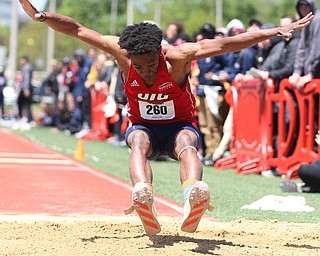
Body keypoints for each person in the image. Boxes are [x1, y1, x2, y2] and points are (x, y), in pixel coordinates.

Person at [18, 0, 313, 235]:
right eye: (139, 66)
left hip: (178, 126)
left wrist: (272, 31)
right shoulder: (122, 53)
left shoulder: (178, 56)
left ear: (160, 56)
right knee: (137, 140)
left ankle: (193, 195)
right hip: (144, 126)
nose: (145, 71)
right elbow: (79, 30)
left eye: (149, 65)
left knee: (187, 142)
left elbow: (226, 44)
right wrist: (42, 17)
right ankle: (143, 194)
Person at [289, 0, 320, 90]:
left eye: (306, 6)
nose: (304, 10)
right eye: (301, 7)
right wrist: (297, 72)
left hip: (316, 72)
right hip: (310, 73)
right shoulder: (306, 22)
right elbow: (301, 48)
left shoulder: (317, 20)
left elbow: (317, 48)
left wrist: (311, 74)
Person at [17, 55, 34, 124]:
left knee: (23, 103)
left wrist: (26, 89)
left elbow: (26, 78)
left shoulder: (26, 67)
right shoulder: (26, 67)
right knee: (25, 103)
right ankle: (27, 118)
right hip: (25, 87)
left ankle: (26, 118)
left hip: (26, 88)